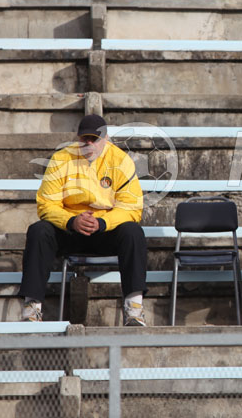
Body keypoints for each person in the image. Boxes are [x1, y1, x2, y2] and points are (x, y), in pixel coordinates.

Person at [19, 114, 148, 326]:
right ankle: (32, 307)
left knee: (133, 232)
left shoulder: (121, 160)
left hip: (105, 230)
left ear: (105, 139)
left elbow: (132, 207)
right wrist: (72, 221)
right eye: (83, 139)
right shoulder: (61, 159)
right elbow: (46, 204)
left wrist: (103, 223)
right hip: (69, 229)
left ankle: (134, 308)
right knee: (39, 230)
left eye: (94, 139)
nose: (88, 144)